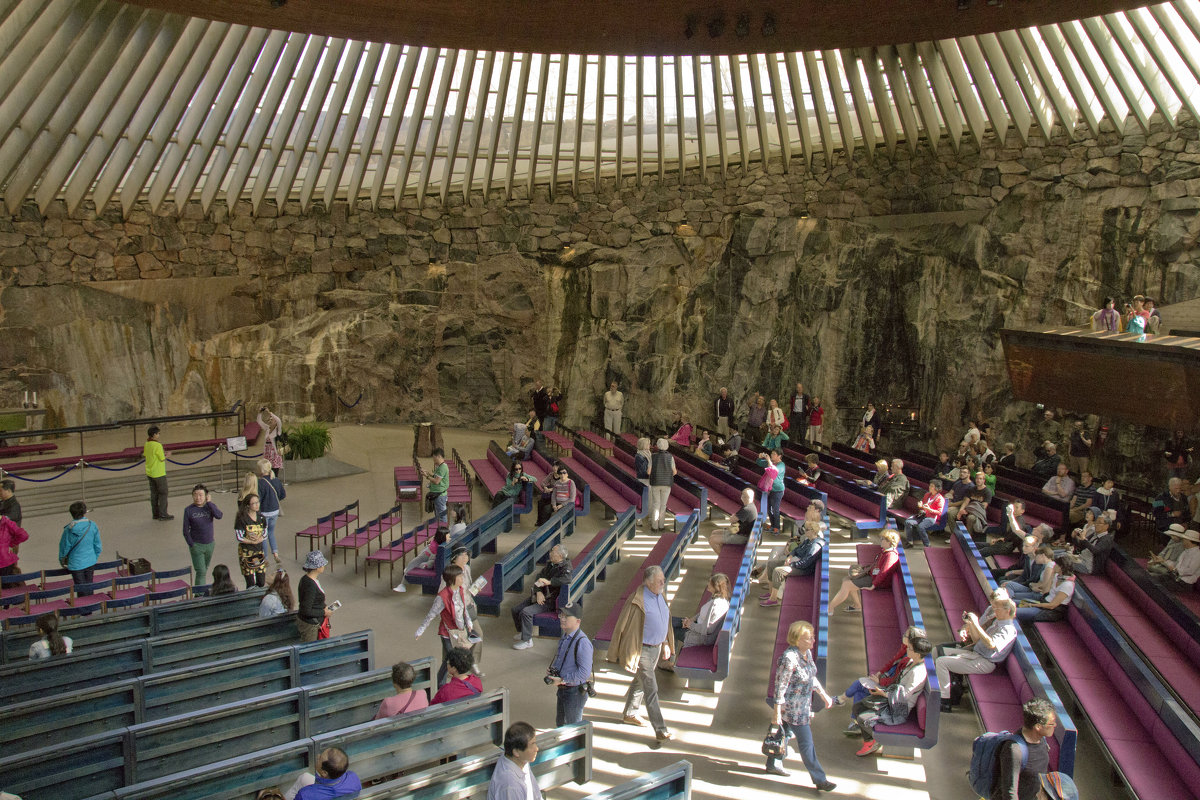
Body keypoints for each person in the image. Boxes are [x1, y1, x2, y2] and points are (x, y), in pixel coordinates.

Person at [765, 620, 836, 791]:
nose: (813, 641)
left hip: (803, 706)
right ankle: (820, 779)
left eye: (813, 637)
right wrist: (776, 712)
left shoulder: (806, 654)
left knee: (785, 734)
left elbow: (811, 678)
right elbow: (780, 686)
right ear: (797, 640)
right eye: (808, 638)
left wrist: (824, 695)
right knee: (806, 743)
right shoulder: (789, 658)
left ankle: (773, 762)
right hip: (792, 709)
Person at [606, 565, 673, 741]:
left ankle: (630, 713)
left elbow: (665, 620)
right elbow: (622, 626)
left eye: (663, 579)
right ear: (649, 582)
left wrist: (665, 642)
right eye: (660, 580)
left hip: (657, 647)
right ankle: (660, 729)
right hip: (642, 648)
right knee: (651, 687)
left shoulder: (661, 595)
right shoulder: (637, 600)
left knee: (641, 681)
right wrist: (617, 651)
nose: (663, 582)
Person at [845, 629, 933, 757]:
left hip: (898, 709)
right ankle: (870, 739)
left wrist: (883, 694)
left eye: (910, 648)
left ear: (918, 654)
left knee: (863, 718)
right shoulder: (910, 662)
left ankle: (871, 742)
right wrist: (882, 690)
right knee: (858, 706)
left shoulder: (918, 672)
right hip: (889, 700)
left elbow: (905, 695)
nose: (907, 649)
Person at [935, 594, 1018, 712]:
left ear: (1007, 611)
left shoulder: (1009, 630)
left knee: (941, 662)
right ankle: (953, 689)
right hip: (975, 654)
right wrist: (971, 624)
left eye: (996, 609)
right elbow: (977, 640)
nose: (994, 611)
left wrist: (977, 624)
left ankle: (945, 701)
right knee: (937, 651)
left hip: (985, 662)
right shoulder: (997, 623)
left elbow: (991, 644)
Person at [415, 563, 481, 685]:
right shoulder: (442, 597)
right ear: (451, 579)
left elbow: (464, 608)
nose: (462, 579)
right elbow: (431, 615)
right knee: (451, 659)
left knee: (454, 658)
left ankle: (446, 682)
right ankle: (440, 684)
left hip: (460, 629)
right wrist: (420, 630)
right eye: (460, 577)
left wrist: (469, 622)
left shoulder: (460, 590)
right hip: (447, 632)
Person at [991, 698, 1057, 800]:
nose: (1055, 725)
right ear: (1038, 727)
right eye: (1052, 723)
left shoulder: (1041, 739)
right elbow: (1010, 793)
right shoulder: (1014, 750)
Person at [661, 573, 732, 665]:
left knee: (671, 629)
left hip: (700, 637)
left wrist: (690, 625)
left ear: (716, 587)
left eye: (710, 583)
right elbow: (701, 614)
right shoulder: (717, 598)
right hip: (695, 625)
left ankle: (670, 661)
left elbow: (706, 630)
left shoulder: (717, 605)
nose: (708, 584)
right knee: (668, 621)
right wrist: (690, 620)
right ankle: (670, 658)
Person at [511, 543, 571, 650]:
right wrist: (538, 592)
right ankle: (524, 632)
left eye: (553, 552)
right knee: (516, 610)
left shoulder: (565, 567)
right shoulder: (550, 564)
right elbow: (539, 577)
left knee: (526, 612)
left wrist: (549, 582)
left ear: (560, 556)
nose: (550, 553)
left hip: (550, 600)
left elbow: (566, 580)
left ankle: (527, 640)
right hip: (542, 595)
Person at [829, 530, 900, 612]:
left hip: (876, 581)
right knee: (846, 579)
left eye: (882, 539)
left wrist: (873, 585)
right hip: (872, 576)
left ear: (889, 542)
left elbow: (883, 573)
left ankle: (830, 608)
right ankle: (857, 605)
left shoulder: (891, 555)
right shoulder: (886, 551)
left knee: (847, 585)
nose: (880, 540)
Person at [546, 603, 593, 726]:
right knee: (561, 724)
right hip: (563, 688)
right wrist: (554, 670)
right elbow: (562, 658)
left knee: (572, 728)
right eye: (561, 615)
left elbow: (584, 673)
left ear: (578, 621)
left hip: (574, 692)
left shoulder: (583, 643)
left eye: (567, 616)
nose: (562, 618)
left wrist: (562, 679)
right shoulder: (565, 637)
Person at [759, 521, 823, 607]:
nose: (805, 531)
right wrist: (790, 557)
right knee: (771, 564)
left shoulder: (815, 545)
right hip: (796, 562)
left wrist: (791, 565)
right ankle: (771, 592)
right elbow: (797, 549)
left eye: (807, 530)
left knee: (778, 571)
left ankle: (773, 599)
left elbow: (806, 563)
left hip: (803, 569)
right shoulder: (808, 540)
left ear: (813, 531)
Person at [487, 722, 542, 800]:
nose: (536, 749)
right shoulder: (510, 785)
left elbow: (536, 795)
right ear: (516, 752)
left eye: (535, 743)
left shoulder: (521, 761)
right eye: (532, 744)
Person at [181, 484, 222, 585]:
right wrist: (191, 544)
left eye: (200, 495)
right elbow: (185, 530)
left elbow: (219, 515)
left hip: (210, 544)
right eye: (195, 495)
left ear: (206, 496)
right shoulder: (189, 510)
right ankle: (199, 595)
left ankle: (200, 591)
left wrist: (210, 503)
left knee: (204, 569)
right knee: (201, 571)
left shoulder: (210, 507)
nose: (198, 497)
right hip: (197, 545)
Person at [58, 501, 102, 595]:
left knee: (81, 589)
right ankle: (90, 608)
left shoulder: (68, 530)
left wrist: (62, 560)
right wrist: (94, 556)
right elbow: (97, 545)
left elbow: (64, 547)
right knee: (89, 586)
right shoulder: (92, 525)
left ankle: (83, 608)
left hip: (76, 563)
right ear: (84, 512)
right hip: (90, 560)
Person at [1015, 556, 1075, 622]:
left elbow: (1052, 605)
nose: (1054, 566)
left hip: (1049, 611)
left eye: (1056, 564)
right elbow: (1045, 592)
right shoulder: (1057, 576)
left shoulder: (1067, 585)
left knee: (1011, 611)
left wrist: (1031, 605)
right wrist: (1052, 575)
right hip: (1042, 603)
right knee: (1010, 603)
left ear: (1061, 567)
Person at [393, 525, 449, 593]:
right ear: (442, 537)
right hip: (426, 554)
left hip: (428, 554)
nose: (450, 537)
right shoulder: (437, 545)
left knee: (413, 564)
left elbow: (433, 557)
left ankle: (404, 580)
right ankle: (402, 584)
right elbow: (432, 555)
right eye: (448, 536)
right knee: (412, 563)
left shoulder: (439, 544)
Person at [292, 747, 361, 800]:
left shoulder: (305, 795)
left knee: (304, 777)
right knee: (304, 778)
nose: (318, 756)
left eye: (320, 758)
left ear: (324, 773)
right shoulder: (354, 779)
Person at [297, 550, 334, 642]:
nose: (324, 566)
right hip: (310, 627)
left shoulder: (306, 579)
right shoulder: (310, 585)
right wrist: (324, 612)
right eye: (322, 564)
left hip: (311, 623)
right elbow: (306, 610)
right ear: (317, 567)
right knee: (310, 651)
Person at [255, 459, 286, 568]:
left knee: (263, 535)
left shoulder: (260, 483)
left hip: (264, 512)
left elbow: (258, 499)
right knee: (271, 532)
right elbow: (283, 495)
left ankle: (265, 558)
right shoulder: (276, 480)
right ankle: (276, 553)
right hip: (275, 511)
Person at [234, 494, 268, 589]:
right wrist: (251, 542)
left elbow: (265, 532)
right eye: (254, 503)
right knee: (250, 582)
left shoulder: (261, 517)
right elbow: (239, 536)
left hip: (259, 551)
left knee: (261, 580)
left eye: (258, 502)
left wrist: (259, 539)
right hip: (246, 552)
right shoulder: (241, 518)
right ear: (248, 505)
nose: (257, 505)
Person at [709, 487, 756, 555]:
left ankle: (723, 559)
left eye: (744, 496)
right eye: (743, 495)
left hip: (742, 537)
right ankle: (723, 553)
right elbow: (735, 518)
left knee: (712, 540)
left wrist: (733, 517)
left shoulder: (747, 509)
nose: (743, 497)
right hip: (739, 532)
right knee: (714, 532)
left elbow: (732, 520)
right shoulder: (750, 506)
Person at [1152, 526, 1200, 591]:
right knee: (1150, 578)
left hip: (1184, 583)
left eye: (1184, 539)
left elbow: (1190, 571)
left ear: (1189, 541)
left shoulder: (1197, 554)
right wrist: (1163, 561)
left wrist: (1175, 569)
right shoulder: (1186, 551)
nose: (1182, 541)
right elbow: (1176, 563)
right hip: (1174, 577)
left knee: (1155, 586)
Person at [904, 479, 946, 547]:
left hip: (931, 518)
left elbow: (939, 512)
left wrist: (929, 509)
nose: (929, 487)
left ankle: (927, 544)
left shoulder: (940, 499)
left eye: (932, 486)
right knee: (908, 522)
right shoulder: (927, 495)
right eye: (930, 485)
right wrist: (920, 505)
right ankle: (910, 541)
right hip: (922, 515)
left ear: (937, 488)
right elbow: (923, 505)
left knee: (921, 527)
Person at [144, 425, 172, 521]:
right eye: (158, 433)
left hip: (150, 472)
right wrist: (167, 455)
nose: (159, 435)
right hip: (158, 473)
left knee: (154, 493)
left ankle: (155, 513)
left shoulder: (147, 444)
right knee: (163, 493)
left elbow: (148, 455)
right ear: (154, 434)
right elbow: (161, 458)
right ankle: (163, 514)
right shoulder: (157, 445)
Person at [648, 438, 676, 532]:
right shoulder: (670, 457)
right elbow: (674, 472)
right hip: (667, 483)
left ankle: (654, 526)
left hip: (655, 482)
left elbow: (649, 471)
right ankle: (661, 525)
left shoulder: (653, 456)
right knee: (663, 505)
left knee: (656, 504)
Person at [757, 449, 786, 534]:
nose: (772, 455)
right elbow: (759, 463)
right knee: (769, 509)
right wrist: (759, 458)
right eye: (772, 454)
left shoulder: (781, 465)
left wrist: (769, 460)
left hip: (777, 490)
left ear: (779, 456)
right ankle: (772, 525)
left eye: (774, 454)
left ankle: (777, 528)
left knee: (775, 509)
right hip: (769, 490)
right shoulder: (771, 462)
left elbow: (773, 471)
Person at [423, 448, 450, 525]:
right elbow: (436, 476)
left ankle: (444, 531)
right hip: (437, 494)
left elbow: (436, 481)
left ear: (438, 456)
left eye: (434, 458)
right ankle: (439, 528)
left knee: (442, 515)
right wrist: (428, 473)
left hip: (440, 495)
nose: (433, 460)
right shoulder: (440, 466)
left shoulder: (442, 468)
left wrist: (426, 476)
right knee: (438, 513)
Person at [258, 406, 285, 481]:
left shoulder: (278, 430)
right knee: (267, 470)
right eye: (269, 419)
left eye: (272, 420)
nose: (270, 420)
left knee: (275, 472)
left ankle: (275, 483)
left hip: (275, 453)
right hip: (267, 452)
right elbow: (259, 422)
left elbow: (279, 420)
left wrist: (269, 412)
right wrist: (260, 413)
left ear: (275, 422)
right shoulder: (267, 428)